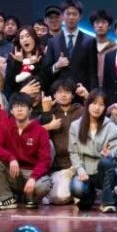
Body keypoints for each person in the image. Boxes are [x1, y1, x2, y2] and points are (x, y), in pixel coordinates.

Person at [0, 92, 51, 210]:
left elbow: (45, 160)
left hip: (31, 172)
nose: (19, 109)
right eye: (16, 106)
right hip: (14, 172)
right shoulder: (5, 125)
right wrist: (11, 158)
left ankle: (30, 198)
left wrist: (33, 177)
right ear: (11, 110)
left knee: (42, 186)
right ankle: (6, 199)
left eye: (23, 106)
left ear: (30, 110)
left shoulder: (40, 131)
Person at [68, 90, 117, 212]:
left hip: (104, 172)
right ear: (87, 104)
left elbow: (115, 153)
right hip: (85, 171)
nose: (97, 108)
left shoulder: (111, 127)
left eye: (101, 104)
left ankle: (107, 202)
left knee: (106, 162)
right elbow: (73, 152)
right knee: (77, 189)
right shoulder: (75, 126)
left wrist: (109, 155)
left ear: (105, 107)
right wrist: (80, 170)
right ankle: (90, 195)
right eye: (94, 103)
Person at [39, 78, 84, 206]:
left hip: (78, 165)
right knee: (59, 197)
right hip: (57, 167)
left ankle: (78, 190)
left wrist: (87, 97)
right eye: (59, 92)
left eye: (67, 92)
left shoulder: (81, 111)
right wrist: (46, 112)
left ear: (73, 95)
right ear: (54, 95)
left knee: (78, 191)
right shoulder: (50, 113)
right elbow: (36, 133)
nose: (63, 95)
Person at [44, 0, 99, 91]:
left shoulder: (89, 40)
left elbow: (93, 72)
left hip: (81, 91)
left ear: (80, 16)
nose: (71, 17)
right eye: (68, 14)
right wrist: (56, 66)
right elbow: (46, 71)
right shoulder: (53, 42)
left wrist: (92, 94)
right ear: (62, 16)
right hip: (60, 92)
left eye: (74, 14)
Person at [90, 10, 115, 91]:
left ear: (109, 26)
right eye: (97, 22)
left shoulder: (115, 48)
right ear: (93, 25)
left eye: (104, 22)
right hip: (89, 89)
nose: (100, 25)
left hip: (109, 89)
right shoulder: (86, 46)